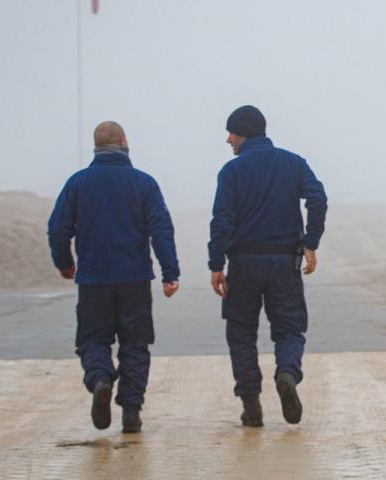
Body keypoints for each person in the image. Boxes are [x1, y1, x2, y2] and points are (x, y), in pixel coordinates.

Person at [48, 121, 180, 434]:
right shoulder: (143, 183)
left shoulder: (77, 183)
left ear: (95, 146)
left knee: (93, 339)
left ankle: (100, 379)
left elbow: (57, 229)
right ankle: (131, 411)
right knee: (135, 344)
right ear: (124, 141)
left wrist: (65, 263)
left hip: (93, 280)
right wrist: (169, 272)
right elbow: (161, 229)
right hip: (134, 279)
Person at [208, 105, 327, 427]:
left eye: (230, 133)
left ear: (242, 133)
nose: (228, 140)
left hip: (243, 263)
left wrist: (216, 263)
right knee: (289, 329)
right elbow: (317, 198)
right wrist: (310, 242)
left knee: (242, 335)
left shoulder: (231, 171)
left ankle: (251, 405)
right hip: (284, 263)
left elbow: (222, 220)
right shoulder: (293, 163)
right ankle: (287, 373)